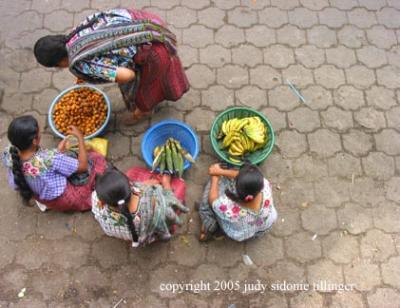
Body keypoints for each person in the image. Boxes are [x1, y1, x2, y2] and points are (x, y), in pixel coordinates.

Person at [33, 8, 189, 125]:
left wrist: (110, 73)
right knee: (163, 73)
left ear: (58, 63)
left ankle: (142, 113)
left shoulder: (82, 64)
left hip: (151, 51)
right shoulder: (75, 34)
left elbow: (128, 75)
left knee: (144, 89)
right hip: (149, 25)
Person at [2, 115, 108, 211]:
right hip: (64, 199)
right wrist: (80, 137)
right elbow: (83, 166)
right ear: (34, 141)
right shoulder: (49, 159)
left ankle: (43, 201)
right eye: (39, 132)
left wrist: (57, 152)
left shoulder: (9, 152)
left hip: (39, 193)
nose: (41, 133)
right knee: (96, 158)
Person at [92, 167, 188, 247]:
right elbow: (167, 202)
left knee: (133, 172)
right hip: (145, 233)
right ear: (130, 185)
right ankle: (166, 232)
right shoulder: (150, 205)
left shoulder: (95, 199)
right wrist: (166, 183)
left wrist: (144, 185)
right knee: (180, 185)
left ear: (102, 201)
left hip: (121, 233)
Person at [198, 162, 277, 242]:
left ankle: (211, 227)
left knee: (206, 205)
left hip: (239, 233)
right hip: (263, 228)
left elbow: (213, 201)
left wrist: (215, 178)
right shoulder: (265, 185)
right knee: (226, 178)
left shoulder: (229, 208)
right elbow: (242, 177)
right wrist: (220, 171)